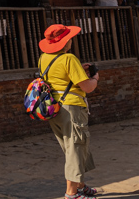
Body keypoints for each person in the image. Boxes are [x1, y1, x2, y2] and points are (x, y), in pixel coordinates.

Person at [37, 24, 100, 199]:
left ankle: (80, 186)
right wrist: (94, 78)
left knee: (73, 147)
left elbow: (60, 78)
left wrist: (80, 69)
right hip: (71, 108)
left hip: (54, 108)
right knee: (75, 148)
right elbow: (87, 87)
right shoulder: (69, 58)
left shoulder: (44, 58)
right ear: (65, 41)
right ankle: (71, 194)